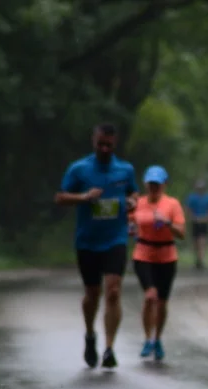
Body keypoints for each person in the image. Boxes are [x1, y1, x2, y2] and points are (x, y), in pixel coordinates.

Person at [54, 123, 138, 369]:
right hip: (87, 241)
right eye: (100, 143)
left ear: (115, 143)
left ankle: (109, 348)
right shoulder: (79, 169)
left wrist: (132, 201)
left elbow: (134, 194)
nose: (104, 148)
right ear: (94, 141)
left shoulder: (125, 169)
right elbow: (59, 197)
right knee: (92, 294)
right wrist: (83, 197)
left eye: (109, 145)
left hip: (116, 239)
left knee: (113, 290)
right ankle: (90, 335)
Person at [129, 165, 185, 361]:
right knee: (150, 296)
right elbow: (129, 224)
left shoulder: (172, 204)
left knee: (161, 302)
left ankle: (158, 338)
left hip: (167, 256)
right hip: (143, 254)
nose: (154, 188)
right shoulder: (138, 203)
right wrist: (130, 228)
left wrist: (167, 223)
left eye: (157, 185)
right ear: (146, 184)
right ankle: (147, 338)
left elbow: (182, 233)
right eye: (151, 184)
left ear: (164, 185)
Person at [185, 179, 208, 270]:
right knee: (195, 242)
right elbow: (188, 209)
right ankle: (197, 258)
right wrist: (193, 217)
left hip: (204, 222)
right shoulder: (192, 197)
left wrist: (207, 218)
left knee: (202, 241)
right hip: (195, 222)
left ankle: (201, 260)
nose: (200, 189)